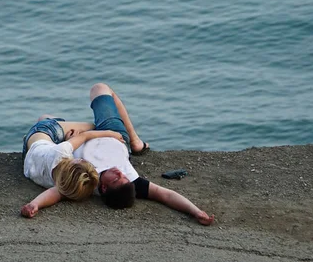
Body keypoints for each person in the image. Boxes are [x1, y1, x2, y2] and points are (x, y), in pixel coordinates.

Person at [72, 83, 214, 226]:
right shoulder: (131, 182)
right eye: (124, 177)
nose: (120, 173)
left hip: (76, 138)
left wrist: (70, 140)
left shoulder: (85, 180)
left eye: (116, 179)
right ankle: (136, 142)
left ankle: (84, 126)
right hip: (113, 133)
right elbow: (165, 194)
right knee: (100, 88)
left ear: (103, 188)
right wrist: (196, 211)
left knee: (48, 118)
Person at [20, 115, 125, 218]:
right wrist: (34, 204)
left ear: (76, 161)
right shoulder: (62, 185)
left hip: (43, 132)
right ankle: (51, 119)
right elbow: (52, 195)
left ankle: (51, 120)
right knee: (47, 120)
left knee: (92, 126)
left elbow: (85, 136)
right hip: (28, 154)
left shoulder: (62, 151)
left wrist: (110, 134)